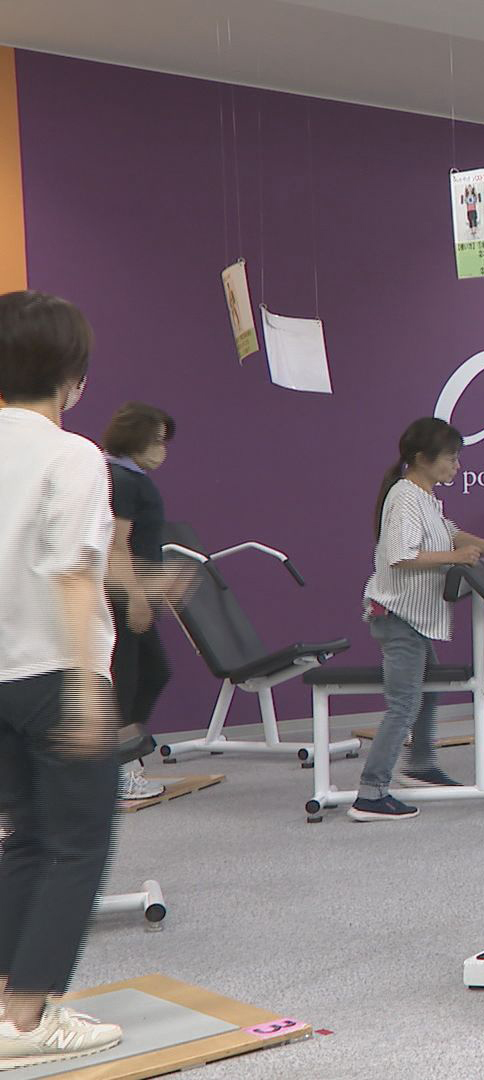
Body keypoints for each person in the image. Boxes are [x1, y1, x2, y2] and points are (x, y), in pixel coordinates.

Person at [0, 291, 134, 1067]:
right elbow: (74, 572)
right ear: (73, 378)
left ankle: (6, 1002)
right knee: (79, 843)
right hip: (55, 670)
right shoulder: (73, 455)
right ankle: (27, 1018)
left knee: (26, 837)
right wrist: (88, 686)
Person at [351, 418, 484, 823]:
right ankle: (371, 793)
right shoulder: (405, 497)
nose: (456, 466)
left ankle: (422, 765)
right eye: (450, 458)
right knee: (404, 704)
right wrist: (456, 558)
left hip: (412, 618)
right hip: (398, 617)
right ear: (422, 458)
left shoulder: (425, 497)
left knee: (427, 691)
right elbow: (400, 555)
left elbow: (452, 535)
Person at [101, 403, 177, 804]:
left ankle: (122, 757)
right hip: (121, 596)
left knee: (153, 673)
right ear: (136, 438)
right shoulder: (122, 480)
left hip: (132, 592)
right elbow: (117, 546)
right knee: (129, 681)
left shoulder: (131, 478)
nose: (163, 450)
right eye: (158, 441)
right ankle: (118, 769)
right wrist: (135, 597)